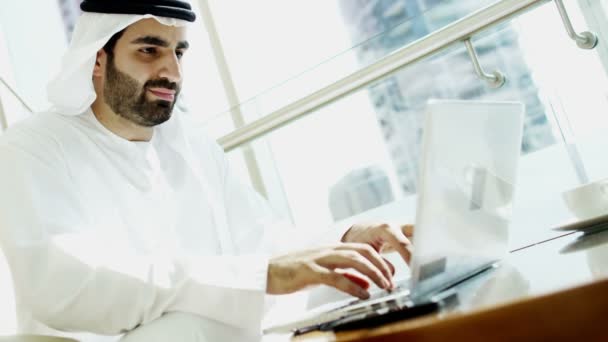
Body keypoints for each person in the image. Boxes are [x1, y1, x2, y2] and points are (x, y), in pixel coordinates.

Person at [0, 1, 413, 341]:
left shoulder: (187, 141)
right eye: (149, 50)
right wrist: (253, 277)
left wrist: (346, 240)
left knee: (367, 283)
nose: (172, 73)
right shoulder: (34, 147)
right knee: (189, 328)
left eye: (178, 52)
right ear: (96, 59)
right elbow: (63, 283)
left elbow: (261, 239)